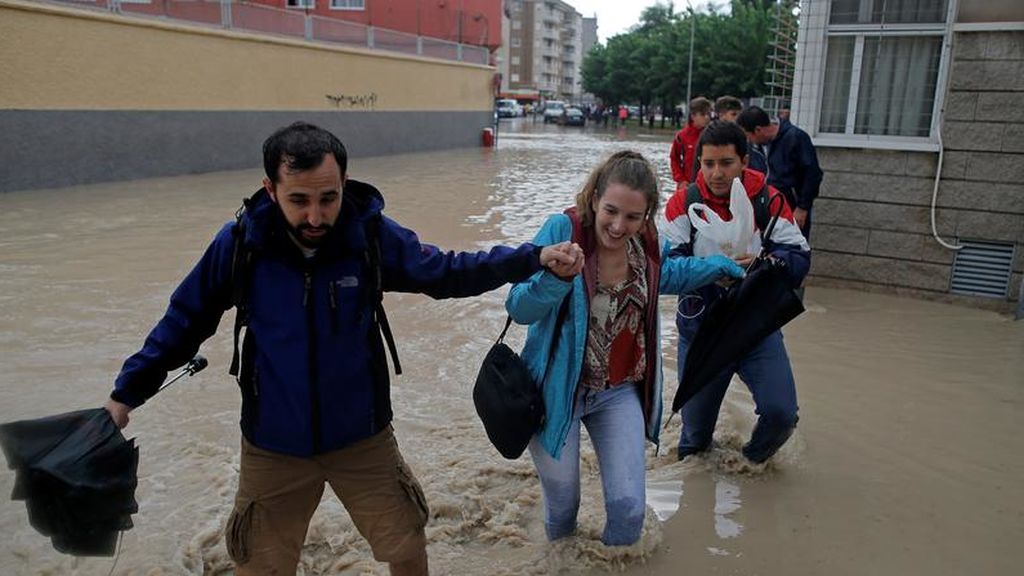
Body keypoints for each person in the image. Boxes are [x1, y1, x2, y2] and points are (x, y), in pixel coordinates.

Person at [102, 122, 582, 575]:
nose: (316, 216)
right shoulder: (241, 245)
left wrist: (532, 257)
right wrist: (125, 397)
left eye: (328, 198)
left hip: (364, 438)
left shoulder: (368, 235)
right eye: (299, 200)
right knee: (259, 564)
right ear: (270, 190)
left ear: (344, 182)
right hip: (273, 446)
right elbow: (183, 321)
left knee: (408, 545)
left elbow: (448, 271)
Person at [506, 151, 745, 546]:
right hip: (555, 393)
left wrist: (720, 267)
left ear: (648, 214)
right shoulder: (561, 231)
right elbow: (519, 307)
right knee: (564, 509)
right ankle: (561, 565)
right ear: (595, 197)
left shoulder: (649, 243)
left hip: (618, 393)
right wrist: (556, 279)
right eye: (611, 211)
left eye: (633, 217)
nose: (619, 226)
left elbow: (667, 275)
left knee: (629, 509)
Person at [660, 120, 810, 464]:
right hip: (702, 332)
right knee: (694, 441)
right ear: (699, 163)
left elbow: (799, 258)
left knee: (782, 415)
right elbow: (666, 270)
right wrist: (713, 270)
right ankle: (695, 492)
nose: (716, 173)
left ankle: (750, 463)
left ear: (744, 161)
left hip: (756, 328)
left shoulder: (769, 201)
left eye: (726, 163)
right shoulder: (683, 203)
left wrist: (765, 262)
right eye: (708, 163)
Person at [736, 105, 822, 239]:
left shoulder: (796, 138)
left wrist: (802, 207)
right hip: (764, 208)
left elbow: (812, 174)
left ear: (758, 130)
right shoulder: (755, 147)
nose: (749, 140)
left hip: (791, 207)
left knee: (792, 248)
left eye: (749, 136)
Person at [670, 96, 712, 192]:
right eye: (702, 114)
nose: (707, 117)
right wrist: (680, 179)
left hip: (708, 185)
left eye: (708, 114)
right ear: (693, 116)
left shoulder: (713, 134)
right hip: (687, 185)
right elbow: (674, 158)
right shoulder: (682, 136)